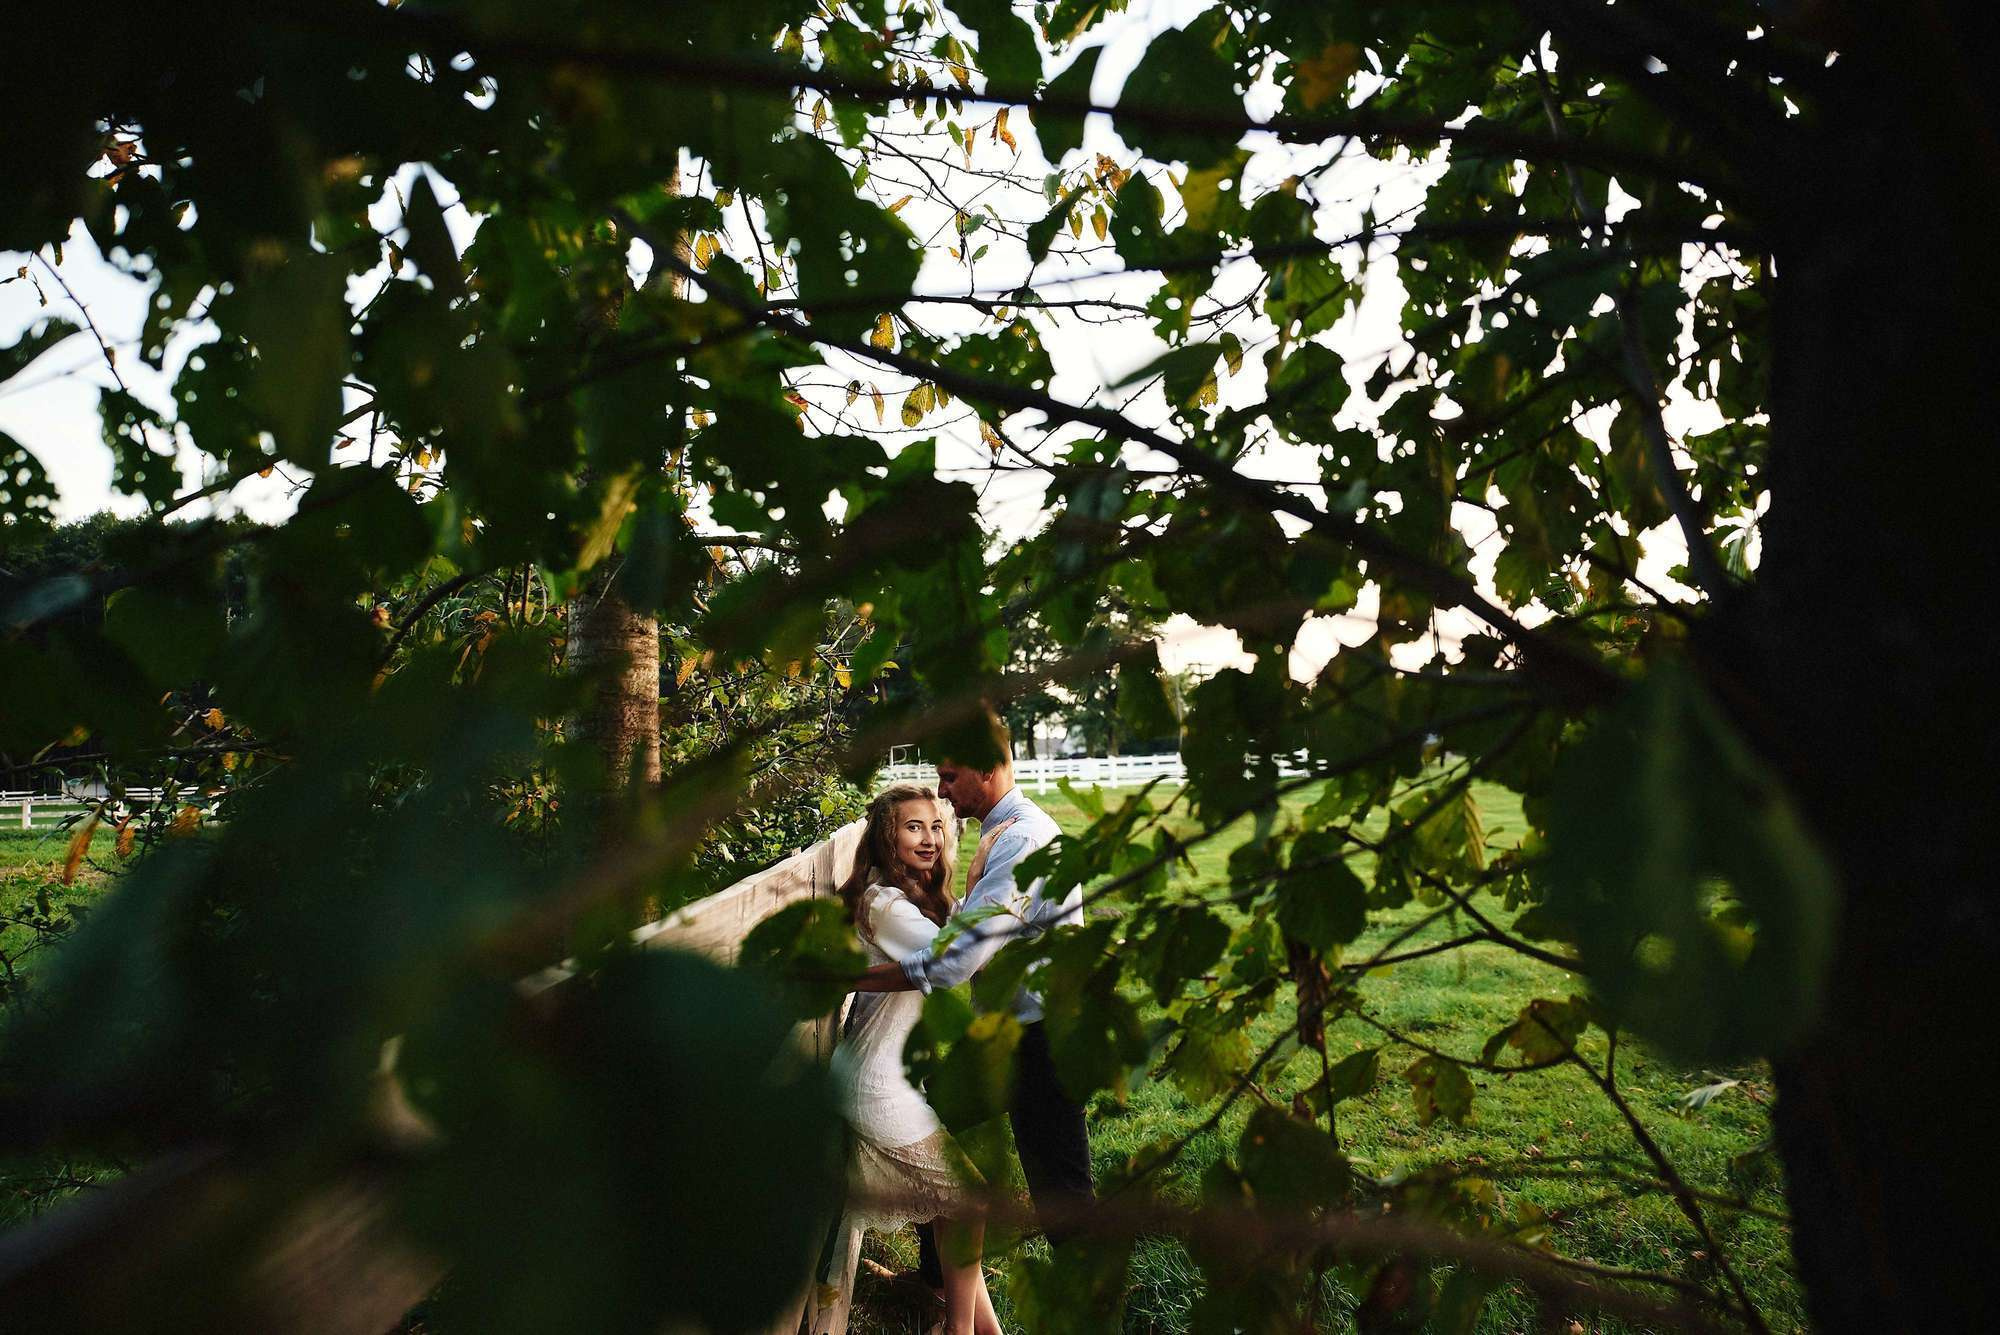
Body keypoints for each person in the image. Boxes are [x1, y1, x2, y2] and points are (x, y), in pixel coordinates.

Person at [849, 715, 1094, 1282]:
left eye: (951, 776)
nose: (941, 791)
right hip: (1007, 1033)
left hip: (1044, 1038)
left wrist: (849, 979)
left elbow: (958, 959)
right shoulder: (1000, 832)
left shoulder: (1022, 840)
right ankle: (936, 1283)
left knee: (1060, 1190)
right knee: (943, 1116)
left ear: (988, 768)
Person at [815, 783, 1004, 1335]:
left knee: (956, 1207)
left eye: (935, 826)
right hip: (873, 1085)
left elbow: (954, 934)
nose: (929, 838)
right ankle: (960, 1332)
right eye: (913, 827)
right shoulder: (885, 904)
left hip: (887, 1078)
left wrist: (962, 892)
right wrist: (979, 885)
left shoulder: (910, 898)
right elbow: (956, 958)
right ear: (887, 837)